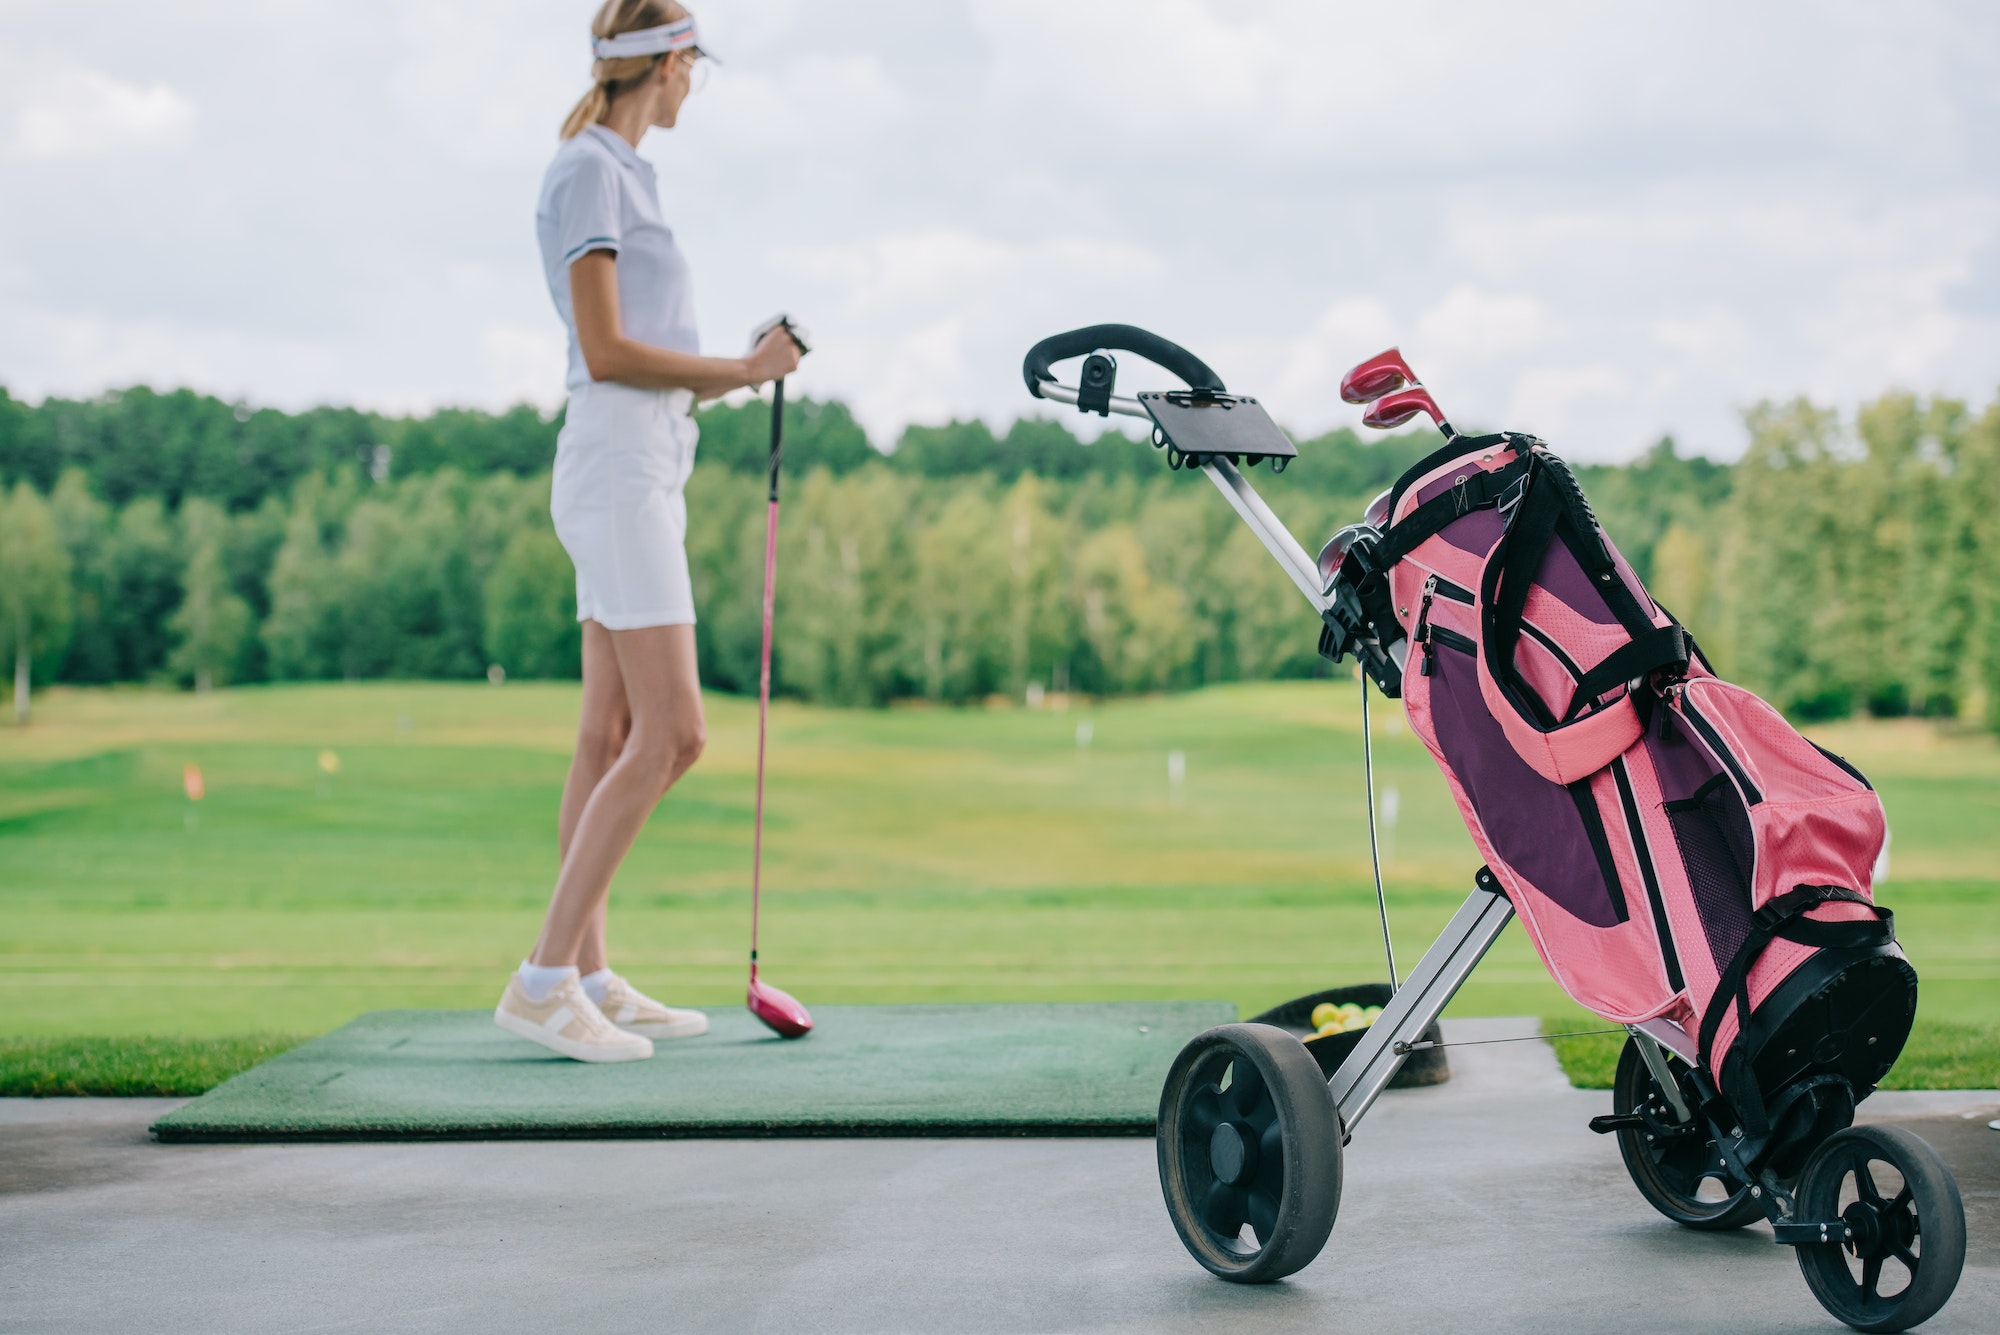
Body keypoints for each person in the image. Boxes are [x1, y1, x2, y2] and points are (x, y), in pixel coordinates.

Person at [495, 0, 802, 1062]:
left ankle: (583, 973)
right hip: (618, 466)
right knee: (675, 734)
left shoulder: (625, 173)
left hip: (642, 462)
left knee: (610, 735)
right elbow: (607, 349)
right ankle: (540, 980)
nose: (689, 89)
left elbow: (641, 354)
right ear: (669, 63)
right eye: (689, 68)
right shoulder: (588, 168)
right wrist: (745, 371)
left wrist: (732, 365)